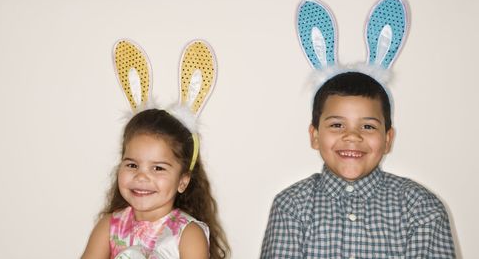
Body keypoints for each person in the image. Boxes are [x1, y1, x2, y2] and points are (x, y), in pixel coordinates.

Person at [260, 72, 455, 258]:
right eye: (337, 125)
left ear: (388, 140)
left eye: (368, 126)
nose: (352, 136)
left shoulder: (421, 207)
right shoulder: (291, 206)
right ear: (315, 136)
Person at [82, 108, 229, 259]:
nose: (141, 177)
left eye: (158, 168)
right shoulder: (109, 226)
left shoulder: (188, 234)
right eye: (132, 165)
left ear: (182, 181)